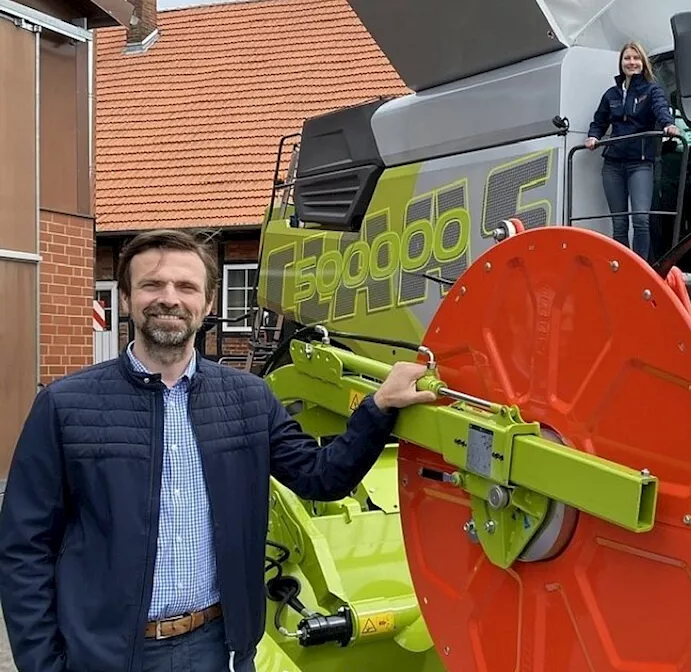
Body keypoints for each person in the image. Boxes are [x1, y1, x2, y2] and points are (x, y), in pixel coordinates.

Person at [0, 229, 440, 672]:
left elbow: (320, 476)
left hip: (218, 649)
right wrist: (43, 664)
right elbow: (23, 547)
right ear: (127, 297)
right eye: (152, 285)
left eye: (186, 287)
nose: (169, 298)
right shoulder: (66, 406)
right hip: (105, 654)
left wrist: (379, 407)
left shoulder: (249, 399)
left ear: (208, 303)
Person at [586, 40, 681, 262]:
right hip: (613, 163)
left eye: (636, 58)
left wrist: (668, 125)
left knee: (640, 218)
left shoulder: (651, 89)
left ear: (643, 62)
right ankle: (621, 267)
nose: (632, 62)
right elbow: (599, 121)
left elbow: (660, 109)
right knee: (619, 222)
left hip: (640, 162)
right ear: (621, 63)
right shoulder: (611, 94)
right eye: (627, 58)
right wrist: (593, 137)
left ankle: (641, 267)